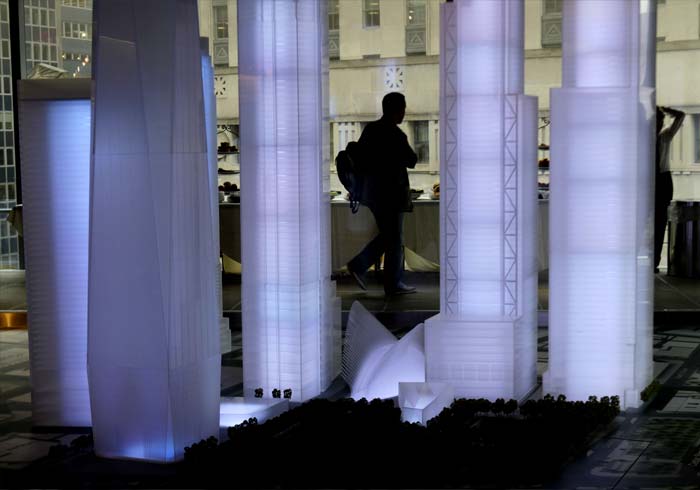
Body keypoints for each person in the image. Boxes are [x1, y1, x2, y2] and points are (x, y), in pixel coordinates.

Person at [347, 92, 418, 295]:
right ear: (396, 110)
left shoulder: (371, 130)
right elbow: (412, 160)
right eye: (403, 108)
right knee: (394, 239)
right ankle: (387, 281)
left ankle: (367, 269)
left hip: (374, 194)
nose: (404, 112)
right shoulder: (396, 135)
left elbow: (360, 158)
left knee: (389, 237)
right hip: (393, 194)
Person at [654, 105, 685, 273]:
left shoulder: (665, 135)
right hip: (651, 179)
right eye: (656, 120)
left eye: (660, 120)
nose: (659, 124)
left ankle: (654, 262)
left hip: (663, 179)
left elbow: (681, 116)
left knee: (659, 223)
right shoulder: (643, 138)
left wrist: (666, 109)